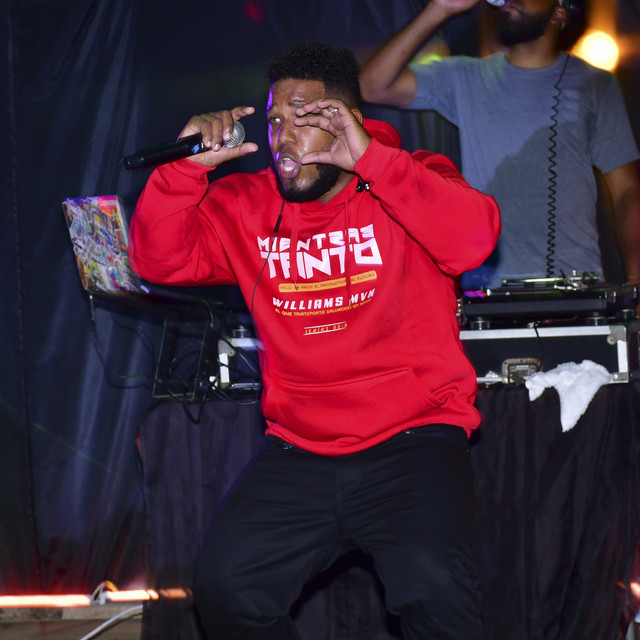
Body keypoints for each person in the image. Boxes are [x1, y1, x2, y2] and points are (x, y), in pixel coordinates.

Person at [129, 42, 500, 639]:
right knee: (227, 586)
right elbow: (159, 260)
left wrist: (374, 161)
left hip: (412, 440)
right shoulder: (247, 204)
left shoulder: (412, 177)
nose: (283, 138)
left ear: (347, 121)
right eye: (275, 120)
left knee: (435, 587)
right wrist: (185, 170)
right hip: (300, 448)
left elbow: (473, 240)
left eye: (304, 120)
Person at [359, 0, 640, 295]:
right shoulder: (465, 75)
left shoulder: (595, 84)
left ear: (559, 10)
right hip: (485, 293)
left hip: (575, 288)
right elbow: (371, 86)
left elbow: (626, 190)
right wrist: (439, 9)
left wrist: (636, 283)